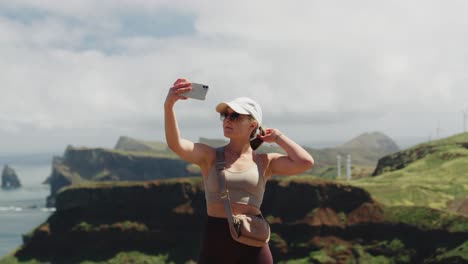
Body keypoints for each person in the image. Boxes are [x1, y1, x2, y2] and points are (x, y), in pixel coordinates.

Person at [164, 78, 314, 264]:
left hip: (253, 243)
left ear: (252, 125)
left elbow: (305, 162)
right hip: (216, 243)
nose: (227, 120)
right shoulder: (210, 156)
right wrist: (169, 105)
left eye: (235, 116)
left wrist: (278, 137)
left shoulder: (264, 161)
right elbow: (175, 144)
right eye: (225, 115)